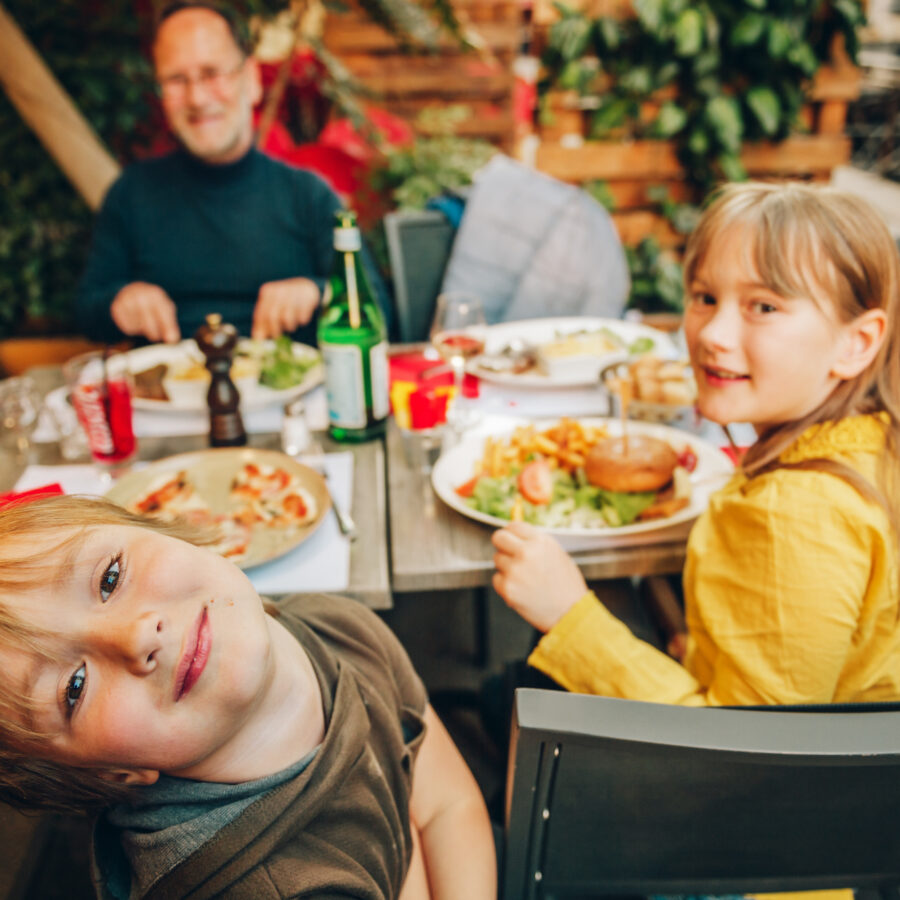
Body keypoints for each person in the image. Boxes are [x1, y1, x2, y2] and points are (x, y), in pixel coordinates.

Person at [492, 181, 900, 707]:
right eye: (705, 297)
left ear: (856, 343)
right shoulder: (873, 440)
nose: (712, 334)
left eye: (764, 306)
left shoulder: (791, 513)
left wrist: (567, 615)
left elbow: (745, 755)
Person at [0, 496, 496, 899]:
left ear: (161, 528)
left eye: (110, 577)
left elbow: (448, 803)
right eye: (75, 688)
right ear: (113, 774)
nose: (134, 636)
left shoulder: (336, 626)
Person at [76, 1, 389, 348]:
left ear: (252, 80)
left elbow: (382, 312)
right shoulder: (131, 192)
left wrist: (318, 292)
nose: (197, 97)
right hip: (167, 396)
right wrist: (119, 301)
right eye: (177, 79)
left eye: (212, 73)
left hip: (290, 396)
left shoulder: (308, 194)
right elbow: (87, 311)